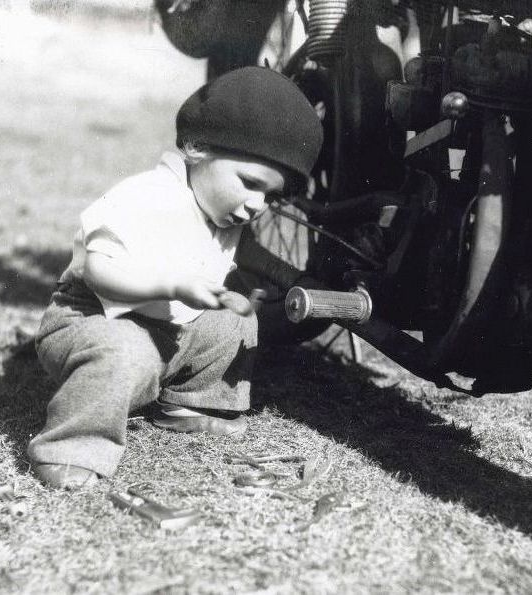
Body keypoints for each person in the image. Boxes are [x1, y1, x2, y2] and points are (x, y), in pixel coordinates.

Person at [29, 67, 323, 489]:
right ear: (197, 147)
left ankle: (187, 403)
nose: (258, 204)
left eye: (271, 196)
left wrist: (290, 276)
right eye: (250, 183)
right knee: (127, 353)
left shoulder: (221, 210)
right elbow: (98, 270)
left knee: (235, 323)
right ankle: (73, 447)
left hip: (166, 328)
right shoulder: (148, 195)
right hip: (91, 320)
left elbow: (245, 251)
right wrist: (172, 285)